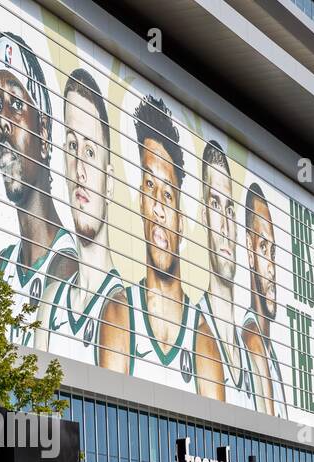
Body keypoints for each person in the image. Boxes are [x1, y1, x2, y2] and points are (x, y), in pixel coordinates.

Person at [0, 31, 77, 350]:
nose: (3, 123)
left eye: (16, 105)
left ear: (44, 130)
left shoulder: (69, 267)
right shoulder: (4, 267)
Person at [48, 67, 129, 369]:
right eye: (72, 146)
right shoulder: (53, 299)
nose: (79, 169)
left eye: (91, 152)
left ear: (109, 182)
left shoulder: (120, 310)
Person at [125, 94, 196, 387]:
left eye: (167, 195)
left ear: (181, 218)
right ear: (140, 201)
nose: (158, 207)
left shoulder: (202, 335)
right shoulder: (120, 314)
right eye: (150, 186)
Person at [194, 140, 253, 405]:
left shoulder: (251, 354)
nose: (225, 226)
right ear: (204, 216)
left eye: (229, 209)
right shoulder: (195, 331)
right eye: (215, 205)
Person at [239, 182, 288, 417]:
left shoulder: (270, 351)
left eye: (273, 253)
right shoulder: (254, 341)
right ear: (249, 250)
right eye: (262, 247)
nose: (271, 268)